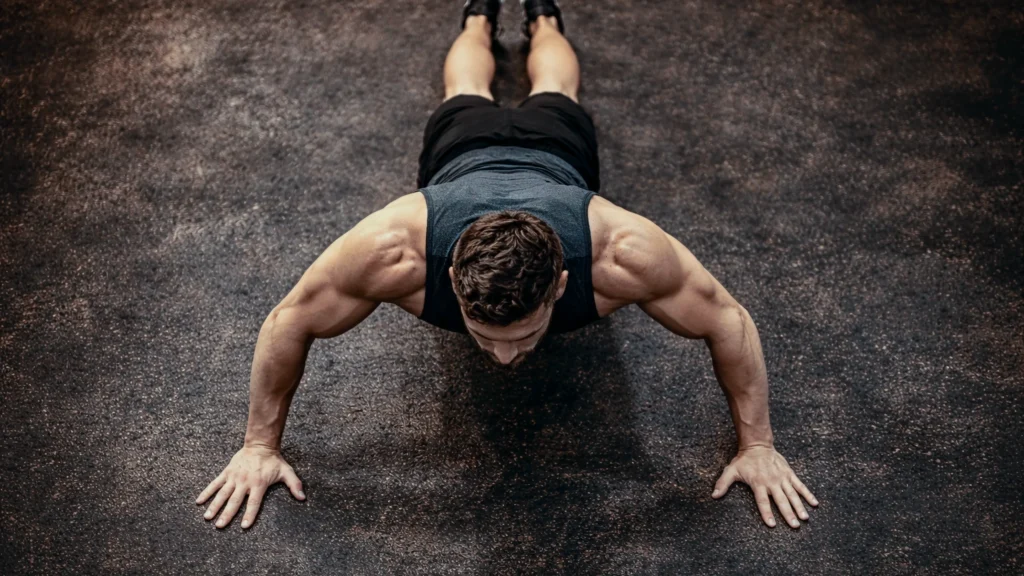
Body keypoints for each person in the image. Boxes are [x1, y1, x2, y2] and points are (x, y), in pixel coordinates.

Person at [197, 0, 818, 532]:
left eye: (522, 335)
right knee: (464, 93)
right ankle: (479, 13)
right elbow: (290, 318)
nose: (501, 358)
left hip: (555, 150)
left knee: (556, 91)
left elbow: (726, 318)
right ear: (447, 280)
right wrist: (258, 447)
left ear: (564, 283)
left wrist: (758, 446)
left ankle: (543, 13)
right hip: (464, 149)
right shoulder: (396, 248)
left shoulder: (621, 252)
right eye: (484, 334)